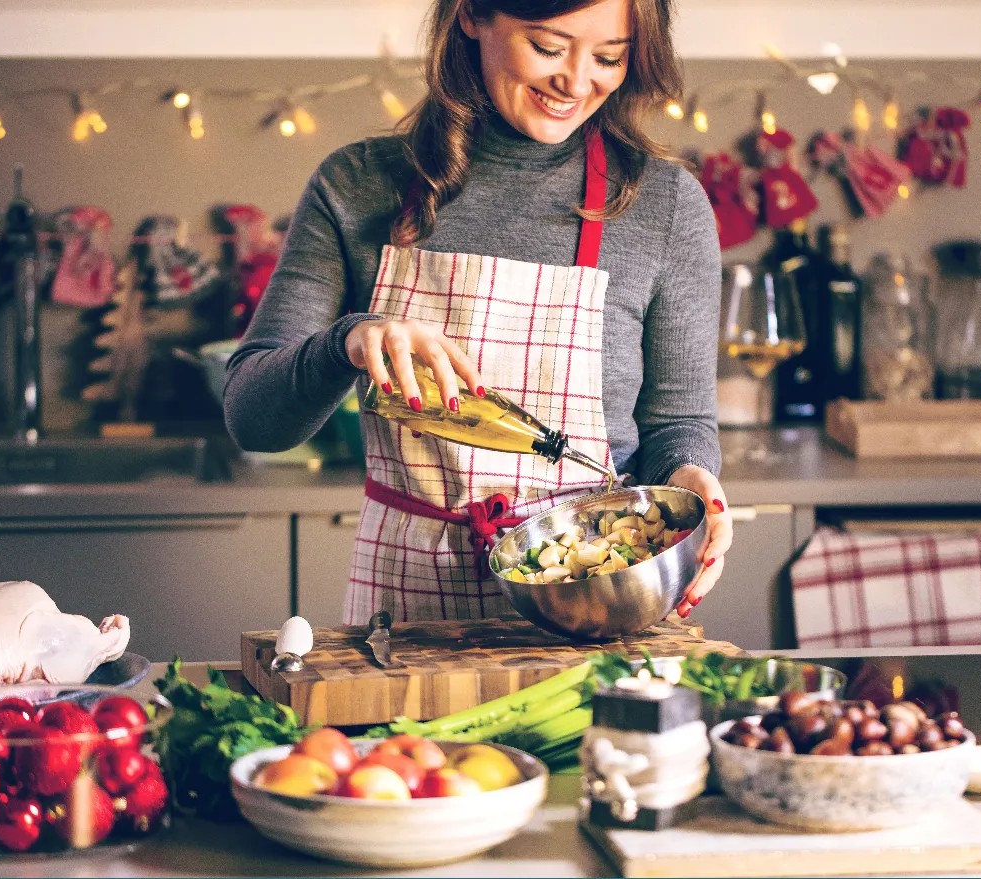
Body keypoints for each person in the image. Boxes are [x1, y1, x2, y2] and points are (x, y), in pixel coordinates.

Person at [224, 0, 733, 626]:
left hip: (600, 600)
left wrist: (692, 479)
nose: (576, 82)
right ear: (472, 15)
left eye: (609, 57)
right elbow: (252, 420)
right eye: (548, 46)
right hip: (406, 618)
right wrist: (348, 342)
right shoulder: (357, 185)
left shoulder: (665, 205)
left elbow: (678, 421)